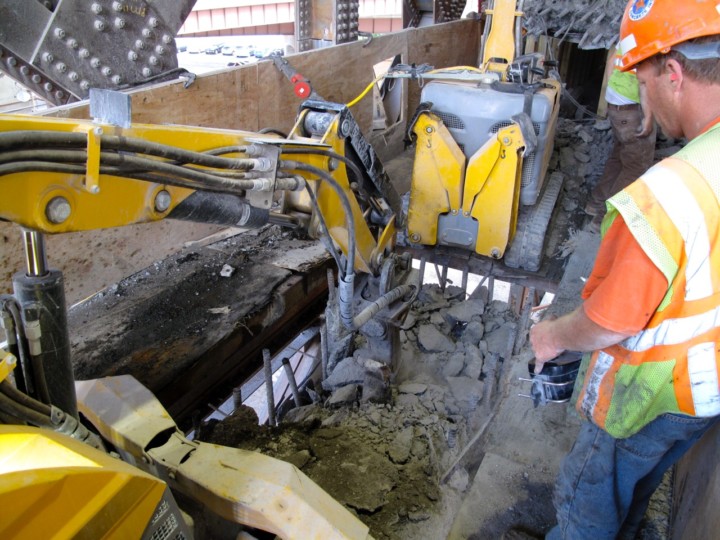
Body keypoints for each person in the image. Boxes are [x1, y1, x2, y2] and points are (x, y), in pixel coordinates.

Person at [529, 1, 720, 538]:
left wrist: (550, 336)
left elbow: (612, 321)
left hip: (650, 393)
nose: (639, 94)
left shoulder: (670, 193)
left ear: (674, 74)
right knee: (633, 490)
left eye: (641, 78)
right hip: (704, 395)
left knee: (586, 498)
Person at [584, 42, 657, 224]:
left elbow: (611, 61)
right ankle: (605, 218)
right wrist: (648, 116)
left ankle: (596, 203)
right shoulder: (652, 38)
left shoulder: (631, 34)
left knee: (619, 157)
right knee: (636, 166)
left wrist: (612, 92)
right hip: (632, 108)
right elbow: (644, 81)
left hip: (618, 106)